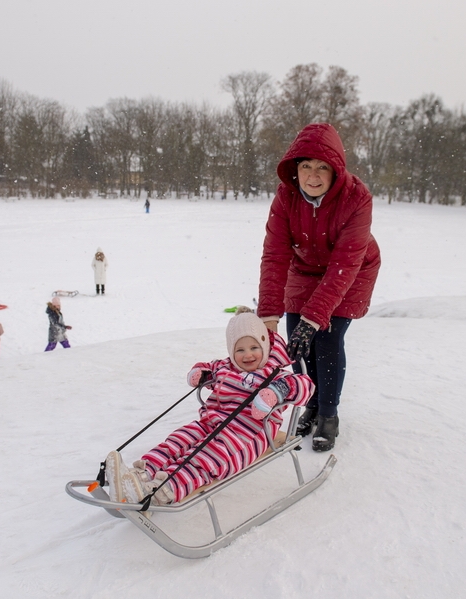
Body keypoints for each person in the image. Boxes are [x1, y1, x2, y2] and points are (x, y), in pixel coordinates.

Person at [256, 123, 381, 452]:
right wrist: (269, 317)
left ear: (335, 170)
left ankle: (328, 414)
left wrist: (316, 318)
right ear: (295, 168)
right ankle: (310, 403)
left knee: (325, 339)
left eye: (322, 167)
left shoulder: (357, 198)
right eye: (306, 166)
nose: (312, 176)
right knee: (298, 342)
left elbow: (345, 264)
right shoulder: (286, 197)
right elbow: (275, 256)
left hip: (350, 270)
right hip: (305, 267)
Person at [104, 311, 314, 506]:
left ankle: (161, 491)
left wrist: (277, 391)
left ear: (265, 347)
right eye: (239, 350)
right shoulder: (225, 367)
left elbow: (306, 386)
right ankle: (140, 475)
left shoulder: (275, 374)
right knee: (179, 440)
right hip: (210, 423)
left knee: (205, 458)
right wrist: (200, 373)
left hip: (247, 435)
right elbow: (207, 367)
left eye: (254, 348)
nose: (247, 355)